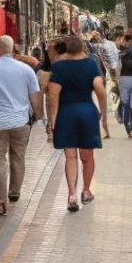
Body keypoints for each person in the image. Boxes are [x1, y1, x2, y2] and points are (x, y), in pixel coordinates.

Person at [0, 35, 43, 216]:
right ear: (12, 48)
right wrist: (39, 116)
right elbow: (35, 96)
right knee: (18, 156)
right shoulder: (26, 70)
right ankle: (14, 191)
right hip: (20, 121)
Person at [46, 32, 108, 211]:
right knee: (87, 157)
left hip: (66, 113)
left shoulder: (58, 67)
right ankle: (86, 191)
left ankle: (72, 194)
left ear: (66, 50)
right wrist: (102, 111)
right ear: (82, 48)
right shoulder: (91, 64)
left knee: (70, 156)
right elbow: (100, 89)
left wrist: (53, 119)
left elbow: (53, 95)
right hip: (87, 112)